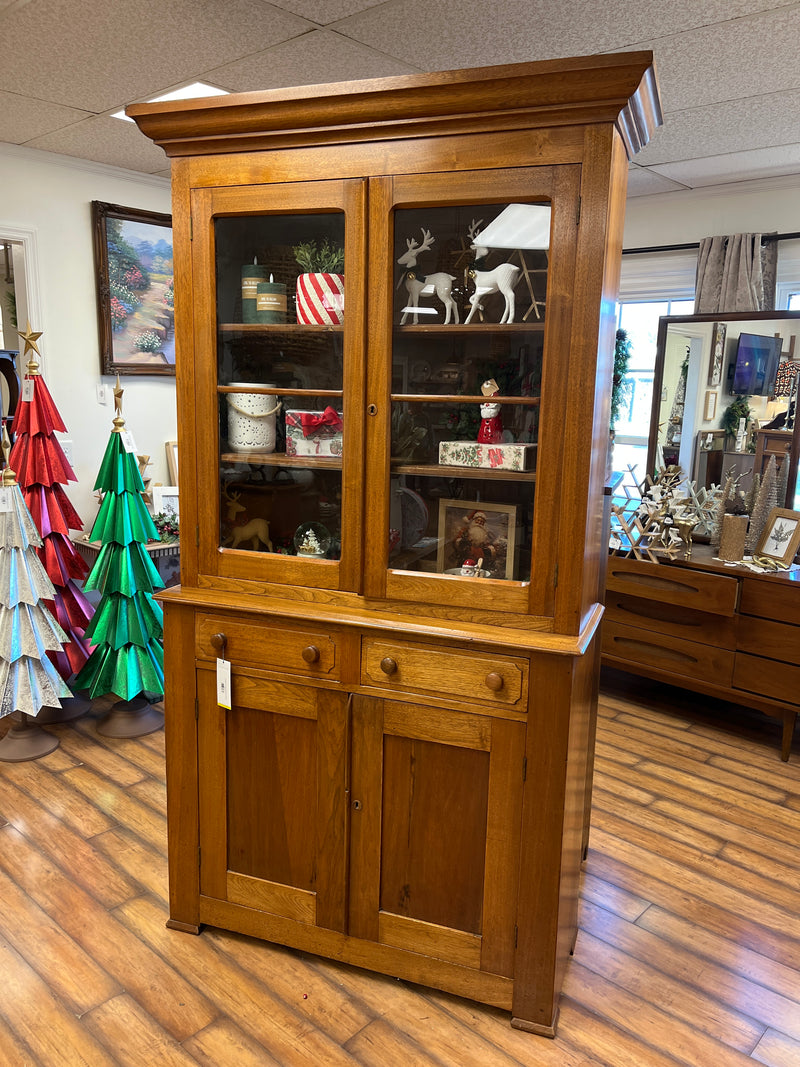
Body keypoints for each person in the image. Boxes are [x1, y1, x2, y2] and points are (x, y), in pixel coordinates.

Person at [477, 378, 503, 444]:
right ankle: (484, 437)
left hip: (495, 427)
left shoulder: (495, 397)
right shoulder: (486, 404)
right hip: (485, 426)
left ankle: (493, 438)